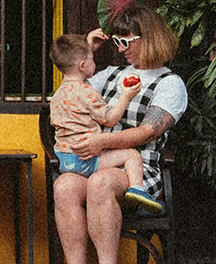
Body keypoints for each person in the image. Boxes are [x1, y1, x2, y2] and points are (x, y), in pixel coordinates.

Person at [50, 0, 187, 264]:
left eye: (128, 41)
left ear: (149, 39)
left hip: (139, 168)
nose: (122, 48)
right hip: (97, 161)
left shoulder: (170, 84)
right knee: (65, 185)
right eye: (119, 41)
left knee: (100, 183)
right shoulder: (109, 75)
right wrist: (87, 49)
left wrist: (99, 140)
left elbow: (146, 132)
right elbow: (71, 88)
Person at [48, 32, 156, 216]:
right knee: (131, 155)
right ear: (82, 65)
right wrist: (126, 96)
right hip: (85, 159)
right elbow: (110, 119)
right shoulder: (86, 92)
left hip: (64, 159)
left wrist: (86, 46)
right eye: (92, 59)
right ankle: (137, 190)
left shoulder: (57, 96)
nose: (94, 63)